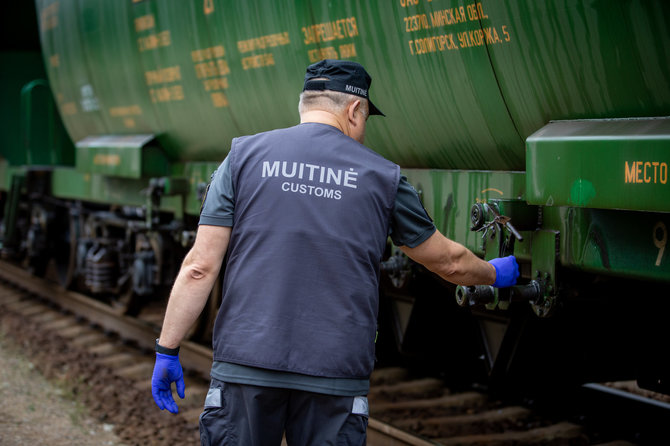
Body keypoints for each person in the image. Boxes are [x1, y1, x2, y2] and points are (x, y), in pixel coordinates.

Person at [151, 59, 519, 445]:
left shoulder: (242, 158)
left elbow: (199, 267)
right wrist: (495, 274)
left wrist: (167, 349)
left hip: (246, 366)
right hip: (334, 374)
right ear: (355, 109)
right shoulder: (383, 177)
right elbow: (448, 261)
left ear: (304, 105)